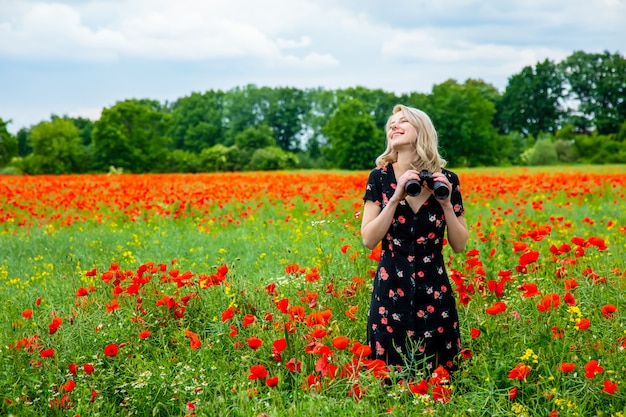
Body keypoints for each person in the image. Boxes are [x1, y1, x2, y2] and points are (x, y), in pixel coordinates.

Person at [361, 104, 468, 376]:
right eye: (391, 123)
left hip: (434, 288)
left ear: (421, 130)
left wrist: (445, 204)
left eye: (402, 122)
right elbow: (368, 239)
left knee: (439, 374)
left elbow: (459, 244)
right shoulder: (380, 178)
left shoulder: (447, 180)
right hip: (390, 289)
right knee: (389, 375)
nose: (393, 126)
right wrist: (396, 197)